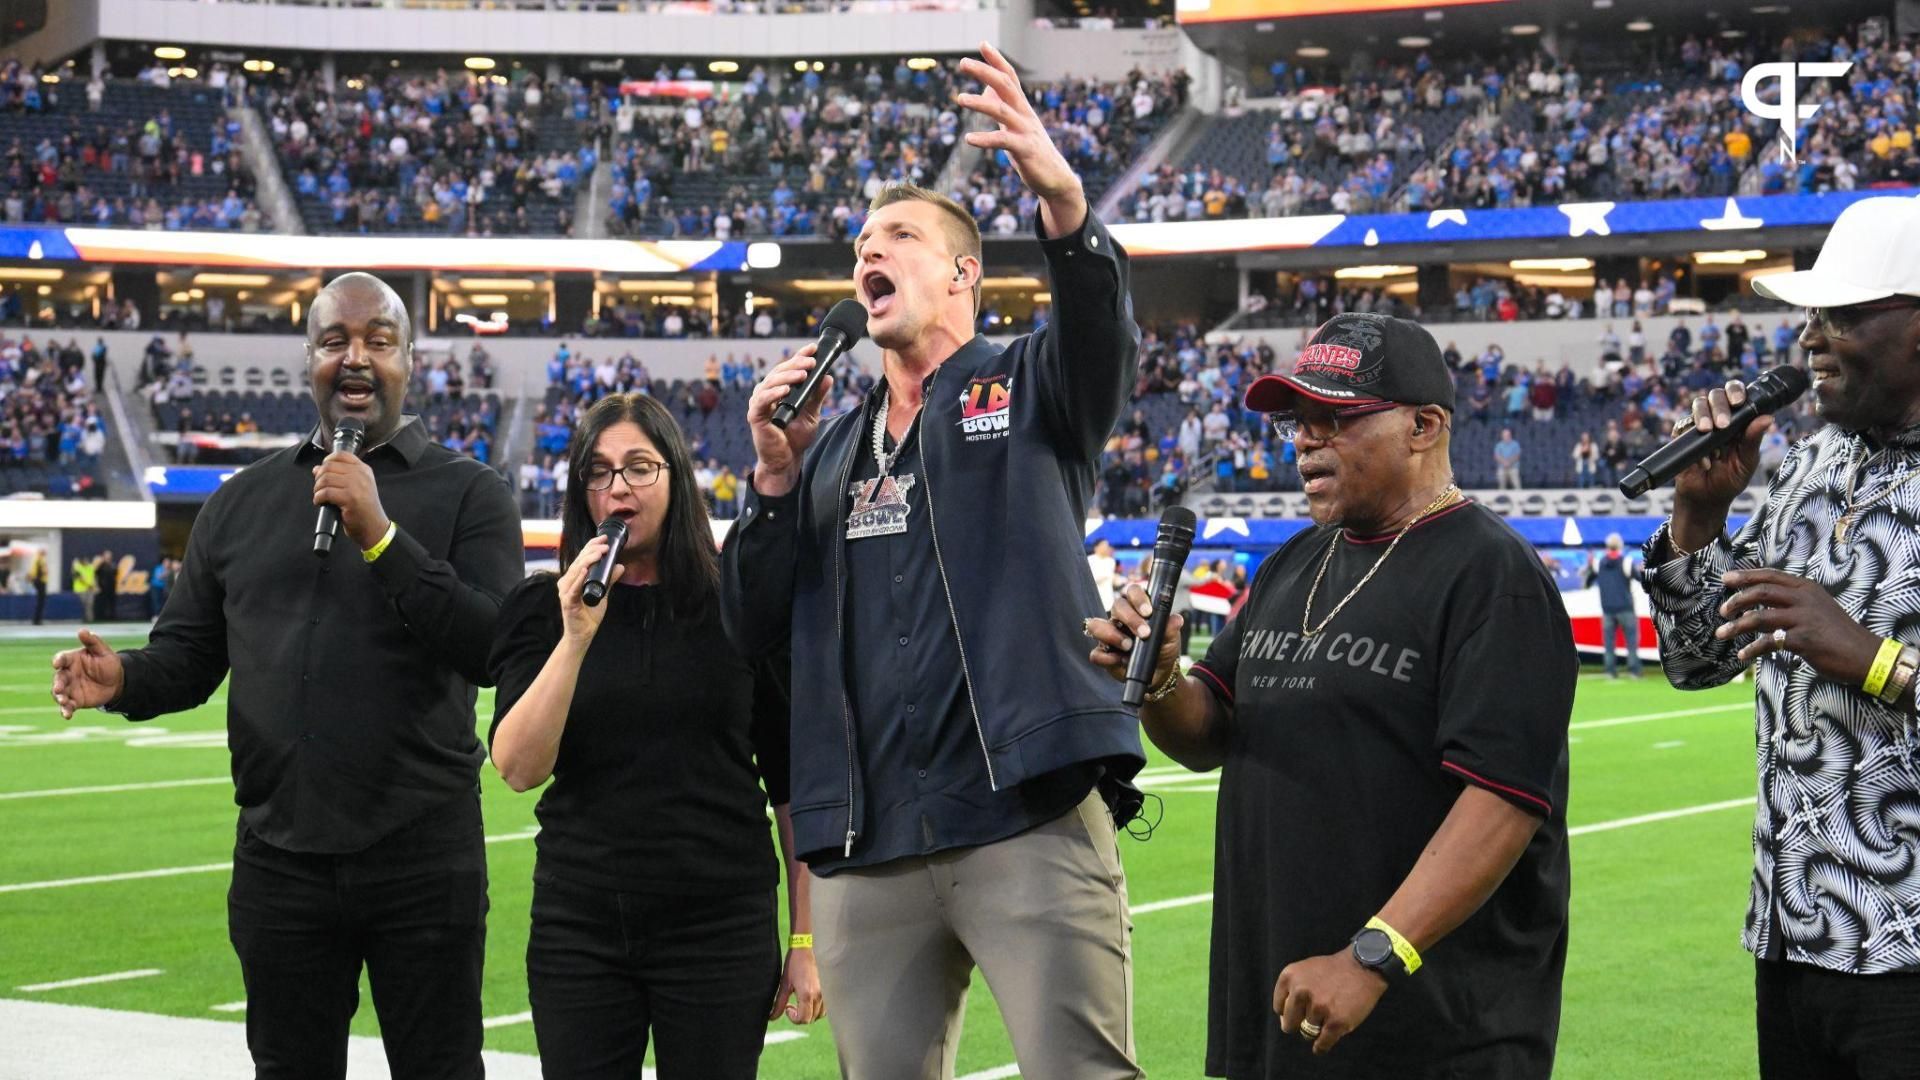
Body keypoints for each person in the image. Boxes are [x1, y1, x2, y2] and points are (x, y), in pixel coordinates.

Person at [721, 42, 1147, 1080]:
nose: (872, 251)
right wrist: (772, 483)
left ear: (963, 273)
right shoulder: (826, 450)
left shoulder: (1027, 384)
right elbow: (754, 627)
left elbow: (1097, 341)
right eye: (863, 242)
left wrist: (1065, 207)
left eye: (900, 236)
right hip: (868, 841)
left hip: (1024, 813)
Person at [48, 272, 523, 1080]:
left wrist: (379, 533)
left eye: (379, 339)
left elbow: (492, 647)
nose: (357, 357)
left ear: (412, 360)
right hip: (278, 856)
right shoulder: (241, 501)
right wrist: (122, 678)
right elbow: (190, 659)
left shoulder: (469, 493)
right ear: (310, 359)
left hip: (421, 851)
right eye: (336, 339)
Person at [1087, 312, 1575, 1078]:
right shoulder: (1293, 563)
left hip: (1432, 1030)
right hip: (1286, 1001)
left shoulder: (1493, 574)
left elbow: (1503, 800)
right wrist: (1157, 678)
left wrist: (1373, 957)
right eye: (1297, 422)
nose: (1307, 440)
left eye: (1335, 418)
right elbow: (1209, 732)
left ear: (1424, 426)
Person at [1643, 195, 1920, 1078]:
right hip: (1793, 933)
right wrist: (1699, 515)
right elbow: (1694, 663)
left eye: (1844, 315)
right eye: (1811, 314)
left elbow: (1866, 660)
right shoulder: (1808, 468)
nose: (1810, 337)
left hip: (1908, 949)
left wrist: (1875, 659)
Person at [488, 393, 821, 1078]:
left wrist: (805, 938)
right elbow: (518, 767)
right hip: (580, 924)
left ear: (676, 476)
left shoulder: (739, 602)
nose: (619, 487)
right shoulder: (543, 608)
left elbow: (794, 783)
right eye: (600, 471)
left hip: (718, 924)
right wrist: (575, 639)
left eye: (640, 467)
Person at [1584, 532, 1642, 678]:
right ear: (1620, 545)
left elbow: (1587, 582)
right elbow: (1640, 578)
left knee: (1609, 644)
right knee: (1631, 642)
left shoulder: (1599, 563)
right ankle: (1633, 671)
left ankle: (1610, 671)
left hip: (1607, 609)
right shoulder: (1626, 562)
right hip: (1625, 608)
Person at [94, 549, 117, 622]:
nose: (108, 557)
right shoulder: (101, 566)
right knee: (103, 603)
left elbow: (115, 574)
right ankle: (102, 617)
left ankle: (111, 617)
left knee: (111, 603)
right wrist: (98, 586)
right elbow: (96, 575)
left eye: (109, 556)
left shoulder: (113, 565)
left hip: (112, 588)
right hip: (103, 588)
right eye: (106, 556)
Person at [29, 549, 46, 625]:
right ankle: (36, 620)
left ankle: (37, 619)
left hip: (39, 582)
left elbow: (32, 573)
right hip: (40, 582)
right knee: (40, 601)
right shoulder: (39, 560)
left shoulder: (37, 560)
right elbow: (42, 572)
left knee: (40, 601)